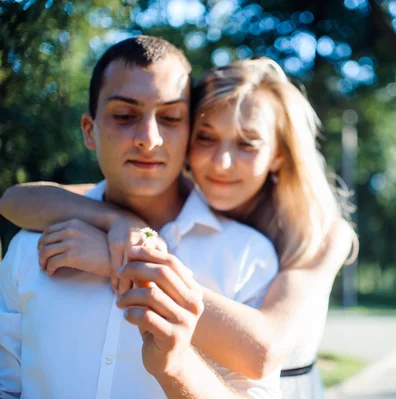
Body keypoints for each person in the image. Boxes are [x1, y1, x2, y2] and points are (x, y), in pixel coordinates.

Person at [0, 57, 358, 397]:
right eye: (206, 137)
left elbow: (263, 350)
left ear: (279, 154)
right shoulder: (176, 202)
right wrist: (122, 221)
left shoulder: (319, 232)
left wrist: (126, 260)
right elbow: (18, 200)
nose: (222, 162)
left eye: (247, 143)